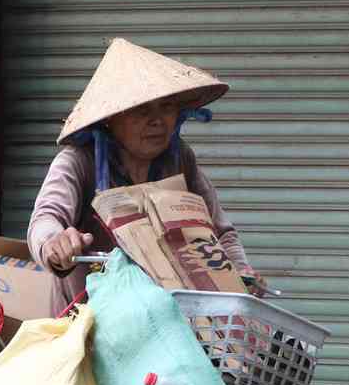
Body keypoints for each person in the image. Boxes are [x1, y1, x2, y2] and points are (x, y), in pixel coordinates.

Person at [27, 38, 253, 308]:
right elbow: (45, 218)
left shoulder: (179, 157)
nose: (157, 120)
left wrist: (241, 275)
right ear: (111, 117)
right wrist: (55, 243)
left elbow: (221, 232)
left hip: (167, 321)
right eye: (141, 110)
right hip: (89, 323)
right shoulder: (78, 161)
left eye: (167, 107)